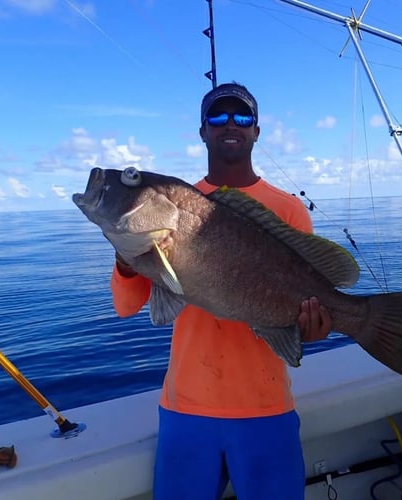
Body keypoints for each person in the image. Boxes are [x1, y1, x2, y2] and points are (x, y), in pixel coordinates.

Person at [110, 82, 332, 500]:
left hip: (267, 408)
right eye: (218, 117)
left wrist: (311, 327)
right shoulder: (164, 209)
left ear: (257, 131)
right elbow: (126, 306)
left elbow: (306, 311)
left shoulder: (288, 209)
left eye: (242, 117)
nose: (231, 124)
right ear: (203, 131)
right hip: (185, 409)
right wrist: (126, 259)